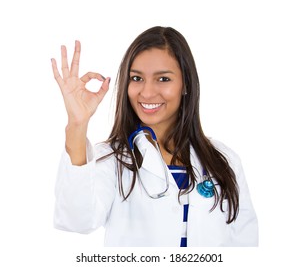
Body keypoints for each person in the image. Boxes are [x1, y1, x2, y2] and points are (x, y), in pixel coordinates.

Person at [51, 26, 258, 247]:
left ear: (185, 84)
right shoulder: (112, 159)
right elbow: (77, 221)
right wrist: (77, 123)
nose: (147, 92)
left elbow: (245, 245)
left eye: (163, 79)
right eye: (137, 78)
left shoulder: (225, 161)